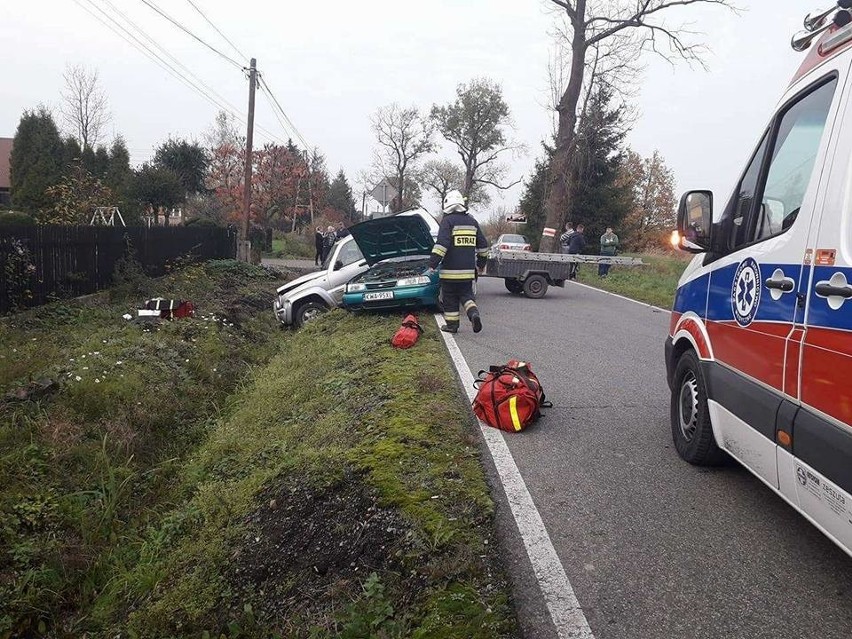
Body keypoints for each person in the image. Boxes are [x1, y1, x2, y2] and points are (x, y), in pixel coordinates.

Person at [428, 189, 489, 334]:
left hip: (450, 273)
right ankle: (473, 314)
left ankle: (452, 326)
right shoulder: (472, 222)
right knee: (467, 296)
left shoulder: (447, 222)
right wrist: (481, 265)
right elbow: (483, 246)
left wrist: (432, 263)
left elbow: (442, 245)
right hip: (467, 273)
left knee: (450, 299)